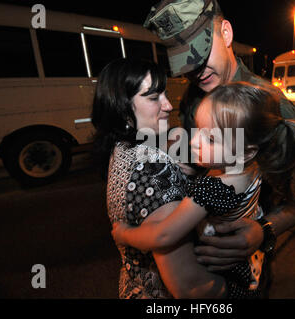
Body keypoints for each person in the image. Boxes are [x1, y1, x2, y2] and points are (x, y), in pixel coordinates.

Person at [137, 0, 295, 291]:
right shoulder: (194, 96)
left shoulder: (268, 106)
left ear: (226, 33)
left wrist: (263, 233)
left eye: (199, 51)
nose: (194, 70)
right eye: (183, 61)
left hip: (247, 266)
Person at [113, 82, 295, 298]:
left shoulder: (214, 189)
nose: (195, 142)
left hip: (232, 279)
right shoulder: (251, 165)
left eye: (211, 139)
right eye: (198, 129)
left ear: (246, 152)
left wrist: (125, 234)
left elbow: (164, 235)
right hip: (253, 266)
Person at [92, 58, 228, 298]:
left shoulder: (120, 148)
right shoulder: (152, 167)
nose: (167, 105)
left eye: (164, 94)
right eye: (154, 98)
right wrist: (241, 292)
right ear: (122, 108)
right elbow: (191, 287)